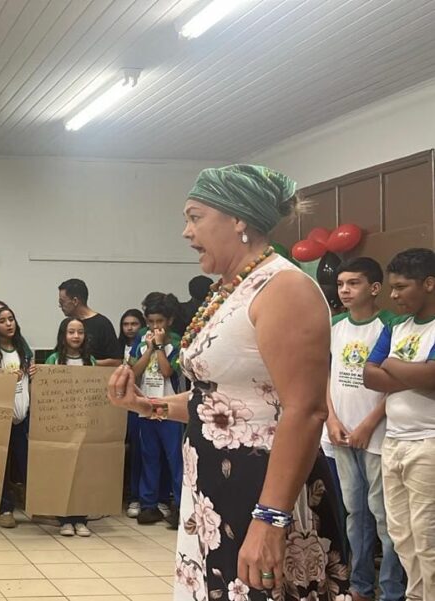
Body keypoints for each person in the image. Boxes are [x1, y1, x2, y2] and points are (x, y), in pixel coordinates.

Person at [107, 164, 346, 598]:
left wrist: (270, 519)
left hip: (265, 488)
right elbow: (220, 402)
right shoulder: (230, 290)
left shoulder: (283, 288)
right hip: (213, 485)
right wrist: (150, 406)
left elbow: (306, 409)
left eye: (195, 216)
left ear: (238, 219)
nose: (185, 231)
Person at [323, 257, 405, 601]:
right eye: (341, 284)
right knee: (354, 514)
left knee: (385, 518)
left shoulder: (390, 324)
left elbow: (396, 383)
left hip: (378, 435)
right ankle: (359, 585)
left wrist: (369, 423)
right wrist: (332, 419)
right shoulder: (336, 324)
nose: (344, 290)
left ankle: (391, 588)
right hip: (341, 434)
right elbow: (325, 375)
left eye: (353, 283)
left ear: (374, 288)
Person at [363, 247, 435, 601]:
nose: (393, 295)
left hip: (428, 443)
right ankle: (416, 595)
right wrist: (414, 374)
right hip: (393, 441)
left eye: (402, 287)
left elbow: (433, 376)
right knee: (401, 533)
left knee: (427, 535)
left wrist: (391, 364)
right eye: (391, 287)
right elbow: (368, 376)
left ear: (429, 284)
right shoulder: (395, 325)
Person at [129, 297, 183, 529]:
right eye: (150, 322)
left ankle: (180, 506)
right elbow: (134, 371)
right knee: (148, 456)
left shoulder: (178, 343)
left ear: (170, 320)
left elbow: (167, 370)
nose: (154, 327)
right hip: (146, 408)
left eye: (159, 321)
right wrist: (149, 348)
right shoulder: (141, 342)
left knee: (175, 458)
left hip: (171, 409)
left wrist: (160, 347)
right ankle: (148, 504)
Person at [0, 303, 36, 529]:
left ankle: (37, 505)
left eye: (11, 319)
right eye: (2, 321)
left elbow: (31, 377)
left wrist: (34, 373)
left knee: (27, 462)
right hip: (0, 418)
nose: (8, 324)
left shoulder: (23, 348)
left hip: (23, 415)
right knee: (1, 465)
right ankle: (5, 508)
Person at [44, 316, 95, 537]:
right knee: (62, 472)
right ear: (63, 335)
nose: (76, 336)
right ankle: (64, 518)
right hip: (60, 426)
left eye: (80, 332)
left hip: (84, 425)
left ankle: (81, 517)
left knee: (83, 472)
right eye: (71, 332)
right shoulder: (54, 360)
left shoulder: (90, 361)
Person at [119, 309, 148, 518]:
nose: (129, 328)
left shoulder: (145, 347)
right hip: (118, 406)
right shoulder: (117, 347)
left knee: (140, 451)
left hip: (142, 402)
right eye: (126, 324)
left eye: (134, 324)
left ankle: (137, 496)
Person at [58, 279, 122, 366]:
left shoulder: (102, 324)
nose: (60, 306)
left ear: (75, 301)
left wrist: (84, 363)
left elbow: (117, 361)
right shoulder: (67, 324)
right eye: (71, 332)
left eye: (62, 302)